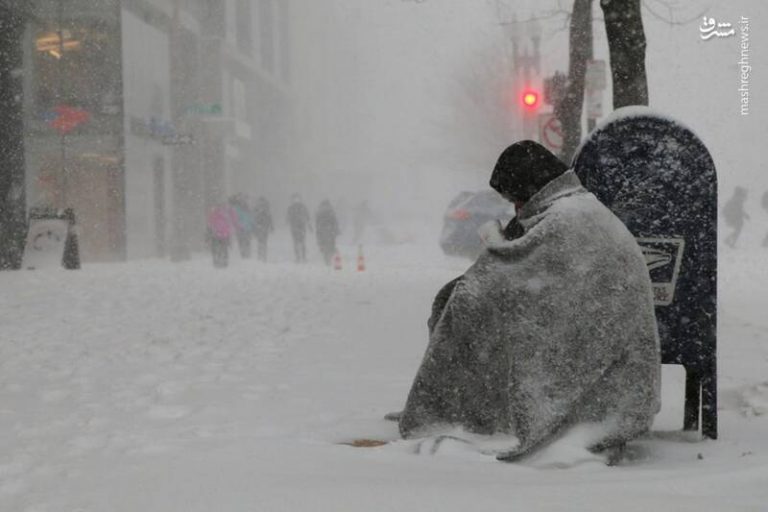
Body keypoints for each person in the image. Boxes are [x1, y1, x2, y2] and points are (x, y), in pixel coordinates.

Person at [398, 140, 660, 462]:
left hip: (608, 377)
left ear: (530, 188)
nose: (516, 209)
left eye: (516, 199)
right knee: (460, 301)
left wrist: (490, 256)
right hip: (610, 354)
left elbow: (513, 280)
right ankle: (467, 410)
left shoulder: (567, 220)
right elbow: (532, 276)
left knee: (467, 306)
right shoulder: (573, 208)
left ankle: (464, 414)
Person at [206, 203, 235, 268]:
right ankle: (224, 263)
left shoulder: (213, 214)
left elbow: (210, 225)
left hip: (216, 235)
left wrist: (212, 232)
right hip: (224, 235)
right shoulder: (226, 215)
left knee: (216, 250)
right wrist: (228, 234)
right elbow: (229, 225)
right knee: (224, 250)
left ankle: (217, 263)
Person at [286, 194, 311, 263]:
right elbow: (307, 216)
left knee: (296, 242)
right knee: (302, 242)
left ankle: (298, 257)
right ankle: (303, 257)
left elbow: (288, 218)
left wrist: (288, 221)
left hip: (294, 227)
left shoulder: (291, 207)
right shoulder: (303, 207)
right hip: (301, 227)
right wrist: (309, 225)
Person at [315, 199, 340, 265]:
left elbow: (317, 222)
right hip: (330, 230)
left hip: (323, 230)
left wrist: (318, 230)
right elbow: (334, 221)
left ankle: (327, 255)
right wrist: (336, 230)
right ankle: (330, 254)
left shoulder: (319, 212)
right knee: (330, 244)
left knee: (324, 244)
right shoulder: (331, 211)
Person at [229, 194, 253, 258]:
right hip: (245, 229)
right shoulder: (247, 209)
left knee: (243, 243)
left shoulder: (238, 209)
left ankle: (245, 255)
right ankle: (246, 255)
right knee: (245, 243)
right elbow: (250, 219)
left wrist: (238, 226)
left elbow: (235, 220)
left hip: (242, 229)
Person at [252, 196, 274, 261]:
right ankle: (262, 255)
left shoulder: (264, 209)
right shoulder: (259, 209)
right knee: (261, 241)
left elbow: (269, 218)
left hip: (263, 227)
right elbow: (254, 218)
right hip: (261, 227)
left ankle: (262, 255)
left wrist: (271, 226)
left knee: (262, 241)